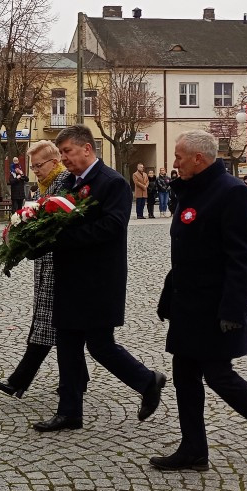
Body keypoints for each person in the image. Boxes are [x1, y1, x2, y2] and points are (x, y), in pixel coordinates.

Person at [151, 130, 247, 473]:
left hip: (216, 305)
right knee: (184, 373)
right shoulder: (191, 190)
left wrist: (234, 309)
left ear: (199, 159)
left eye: (179, 157)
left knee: (218, 375)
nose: (174, 163)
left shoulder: (231, 193)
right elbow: (186, 253)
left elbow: (242, 258)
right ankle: (193, 449)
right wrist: (169, 295)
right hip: (188, 302)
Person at [31, 125, 166, 433]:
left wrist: (62, 238)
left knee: (101, 345)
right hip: (70, 277)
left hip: (99, 279)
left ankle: (148, 381)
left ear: (87, 149)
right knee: (67, 344)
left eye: (67, 151)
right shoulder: (70, 183)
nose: (63, 158)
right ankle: (69, 412)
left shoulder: (111, 182)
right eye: (61, 152)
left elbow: (113, 227)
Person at [0, 140, 80, 398]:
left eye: (38, 165)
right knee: (64, 332)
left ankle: (19, 380)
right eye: (32, 166)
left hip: (59, 267)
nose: (35, 171)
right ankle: (78, 381)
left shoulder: (63, 183)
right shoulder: (46, 185)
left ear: (54, 163)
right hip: (47, 266)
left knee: (46, 325)